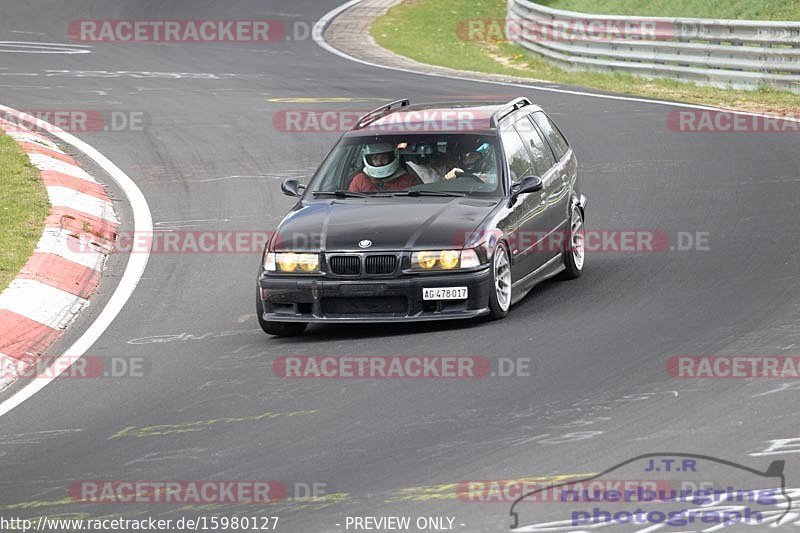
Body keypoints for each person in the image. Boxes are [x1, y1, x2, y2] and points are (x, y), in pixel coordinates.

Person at [348, 143, 421, 193]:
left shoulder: (408, 180)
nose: (379, 162)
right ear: (368, 160)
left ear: (394, 157)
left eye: (384, 158)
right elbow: (350, 203)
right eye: (375, 159)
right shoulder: (360, 180)